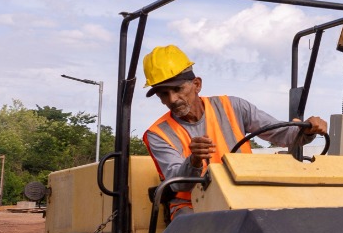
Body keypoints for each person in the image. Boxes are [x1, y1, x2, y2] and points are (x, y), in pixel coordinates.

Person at [140, 44, 329, 219]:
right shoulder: (157, 134)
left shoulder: (233, 106)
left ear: (197, 84)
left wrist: (309, 130)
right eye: (163, 93)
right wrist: (195, 160)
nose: (172, 99)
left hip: (241, 193)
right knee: (211, 232)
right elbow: (178, 184)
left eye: (177, 89)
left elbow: (282, 135)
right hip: (190, 205)